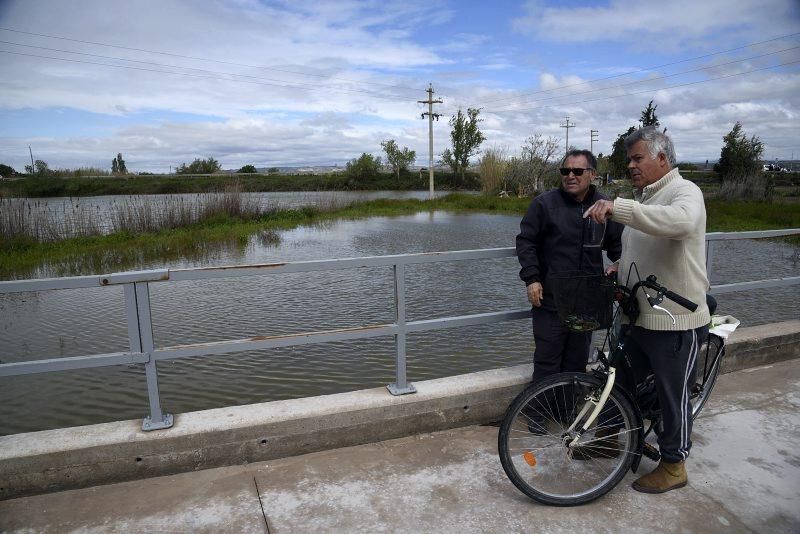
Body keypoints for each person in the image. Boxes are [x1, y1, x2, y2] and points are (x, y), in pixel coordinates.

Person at [583, 126, 710, 494]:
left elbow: (680, 223)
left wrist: (619, 208)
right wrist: (617, 270)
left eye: (638, 158)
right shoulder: (646, 197)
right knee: (618, 381)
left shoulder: (686, 192)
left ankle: (674, 466)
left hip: (675, 319)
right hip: (640, 316)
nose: (631, 165)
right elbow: (640, 249)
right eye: (629, 160)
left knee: (673, 397)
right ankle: (610, 438)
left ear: (661, 158)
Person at [516, 149, 623, 395]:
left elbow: (617, 246)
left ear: (592, 174)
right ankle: (540, 416)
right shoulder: (544, 204)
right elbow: (526, 242)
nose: (570, 176)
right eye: (565, 171)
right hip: (550, 301)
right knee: (547, 361)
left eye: (577, 171)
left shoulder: (604, 207)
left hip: (586, 302)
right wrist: (532, 279)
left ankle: (566, 414)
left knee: (576, 363)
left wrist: (619, 264)